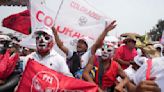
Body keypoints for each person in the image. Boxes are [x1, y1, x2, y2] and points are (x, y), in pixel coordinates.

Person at [52, 21, 116, 77]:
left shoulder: (89, 54)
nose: (79, 44)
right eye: (79, 42)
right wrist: (55, 33)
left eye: (82, 43)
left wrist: (105, 31)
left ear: (86, 47)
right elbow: (60, 45)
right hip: (68, 79)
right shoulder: (72, 54)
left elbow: (97, 44)